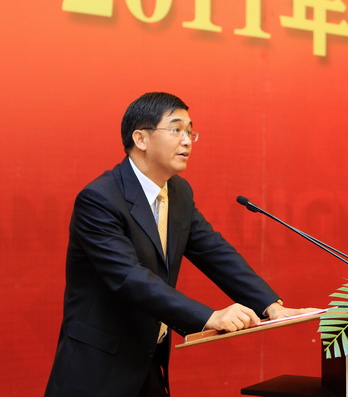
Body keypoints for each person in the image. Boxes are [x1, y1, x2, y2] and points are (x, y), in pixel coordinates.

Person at [45, 92, 314, 396]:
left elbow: (213, 251)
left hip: (148, 364)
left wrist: (270, 306)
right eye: (176, 130)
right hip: (97, 368)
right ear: (141, 138)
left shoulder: (178, 192)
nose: (187, 141)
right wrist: (209, 317)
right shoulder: (99, 199)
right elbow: (128, 277)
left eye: (190, 132)